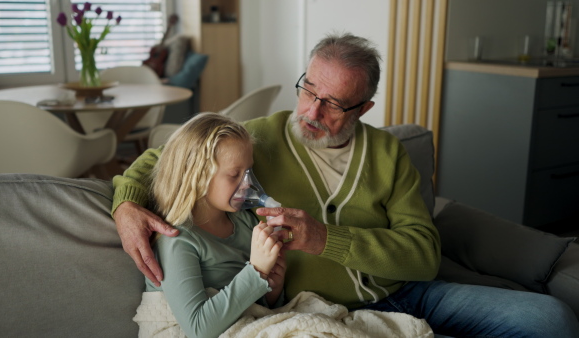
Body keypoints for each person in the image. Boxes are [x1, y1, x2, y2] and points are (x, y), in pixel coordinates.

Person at [113, 33, 579, 336]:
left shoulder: (388, 154)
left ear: (364, 109)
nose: (312, 112)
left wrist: (326, 240)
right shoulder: (259, 138)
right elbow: (172, 155)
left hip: (409, 293)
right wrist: (126, 204)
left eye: (333, 103)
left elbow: (422, 253)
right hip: (316, 307)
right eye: (309, 90)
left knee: (550, 319)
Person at [135, 112, 285, 338]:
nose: (248, 185)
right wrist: (256, 271)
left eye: (248, 172)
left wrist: (272, 289)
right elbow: (198, 329)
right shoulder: (177, 239)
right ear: (197, 176)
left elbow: (247, 307)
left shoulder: (244, 221)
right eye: (235, 175)